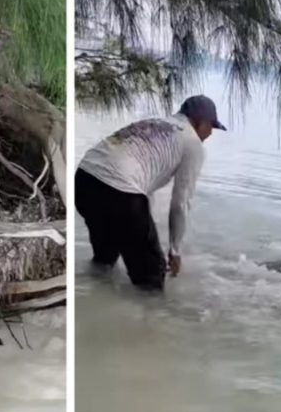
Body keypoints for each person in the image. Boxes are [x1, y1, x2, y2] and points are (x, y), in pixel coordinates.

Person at [75, 95, 226, 290]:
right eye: (211, 127)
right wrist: (175, 250)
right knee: (152, 276)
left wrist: (144, 229)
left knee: (104, 261)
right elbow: (181, 202)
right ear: (200, 122)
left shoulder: (155, 123)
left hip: (84, 179)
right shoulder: (193, 144)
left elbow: (143, 188)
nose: (210, 134)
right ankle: (150, 316)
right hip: (120, 190)